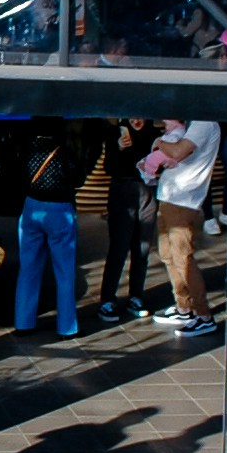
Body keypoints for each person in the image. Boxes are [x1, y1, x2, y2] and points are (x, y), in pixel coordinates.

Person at [11, 119, 93, 338]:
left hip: (31, 208)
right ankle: (67, 328)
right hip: (59, 210)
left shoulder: (26, 150)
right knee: (64, 271)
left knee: (28, 268)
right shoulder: (63, 152)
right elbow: (77, 180)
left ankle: (23, 324)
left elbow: (18, 177)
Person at [147, 115, 225, 336]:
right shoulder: (193, 123)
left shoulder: (204, 122)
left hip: (183, 200)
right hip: (170, 196)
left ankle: (203, 315)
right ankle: (184, 307)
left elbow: (179, 151)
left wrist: (159, 142)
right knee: (168, 255)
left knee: (183, 258)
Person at [97, 114, 156, 321]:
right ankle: (107, 298)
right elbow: (109, 167)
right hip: (122, 189)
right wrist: (120, 148)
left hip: (147, 191)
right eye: (132, 117)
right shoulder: (115, 133)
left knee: (142, 249)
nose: (137, 120)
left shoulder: (154, 135)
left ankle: (136, 295)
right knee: (119, 247)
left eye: (141, 116)